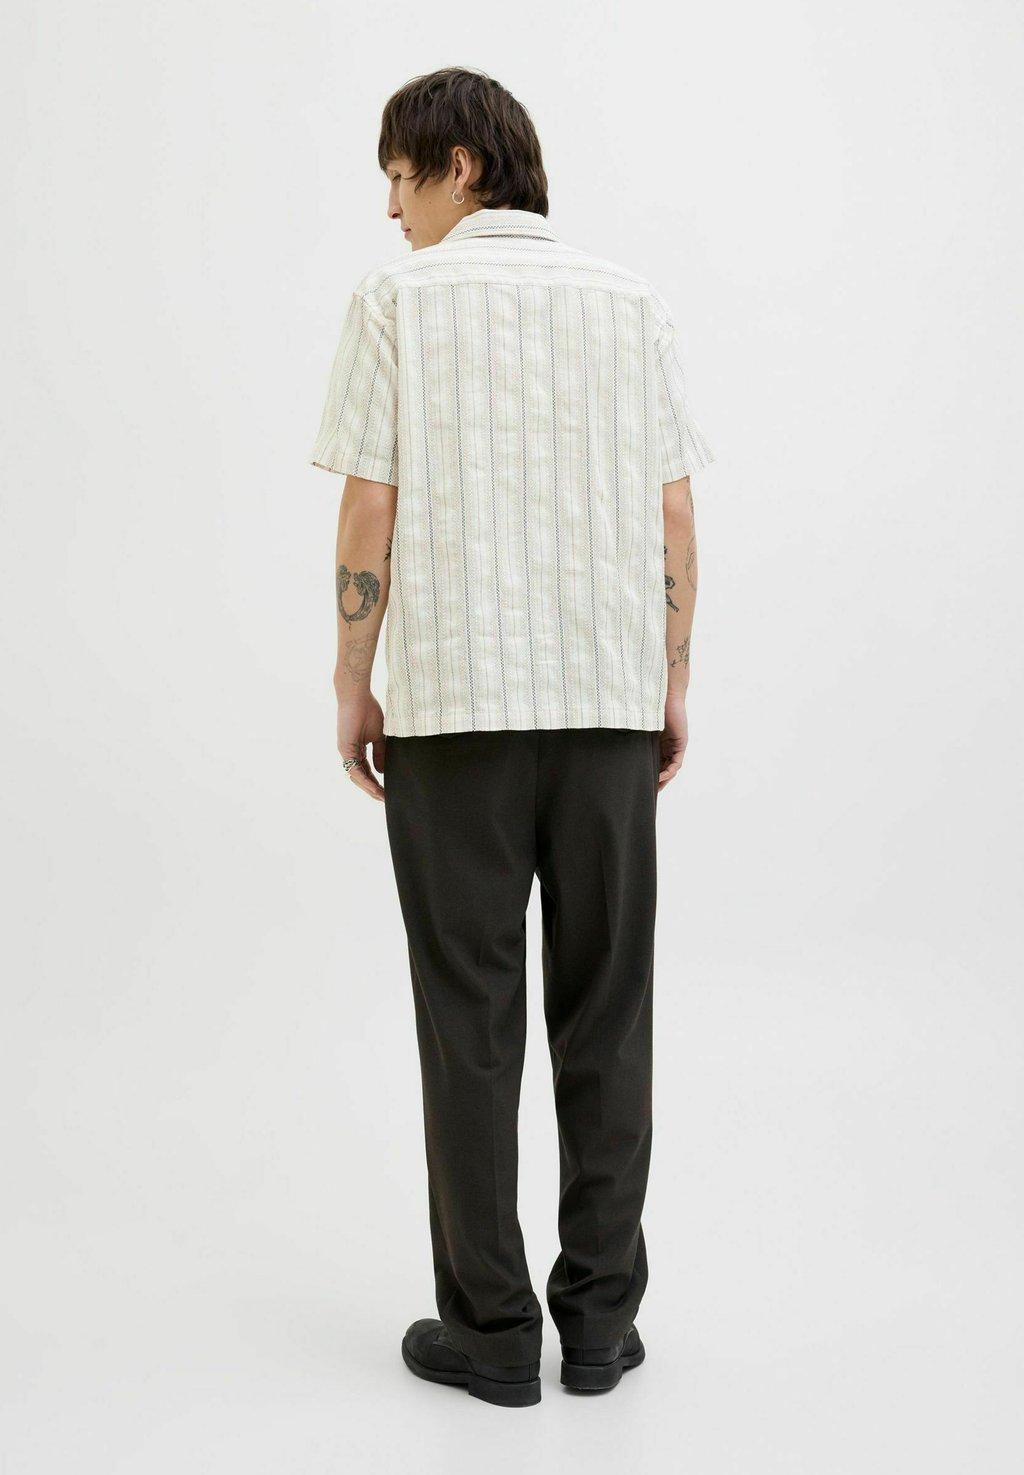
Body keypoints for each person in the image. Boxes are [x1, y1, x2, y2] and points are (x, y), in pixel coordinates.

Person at [308, 66, 715, 1407]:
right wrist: (668, 680)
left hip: (454, 715)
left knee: (469, 1020)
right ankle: (599, 1324)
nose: (391, 209)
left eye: (400, 177)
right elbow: (673, 516)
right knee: (608, 1013)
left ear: (462, 167)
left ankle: (489, 1334)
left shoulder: (397, 304)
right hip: (604, 710)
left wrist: (353, 678)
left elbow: (369, 509)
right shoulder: (631, 302)